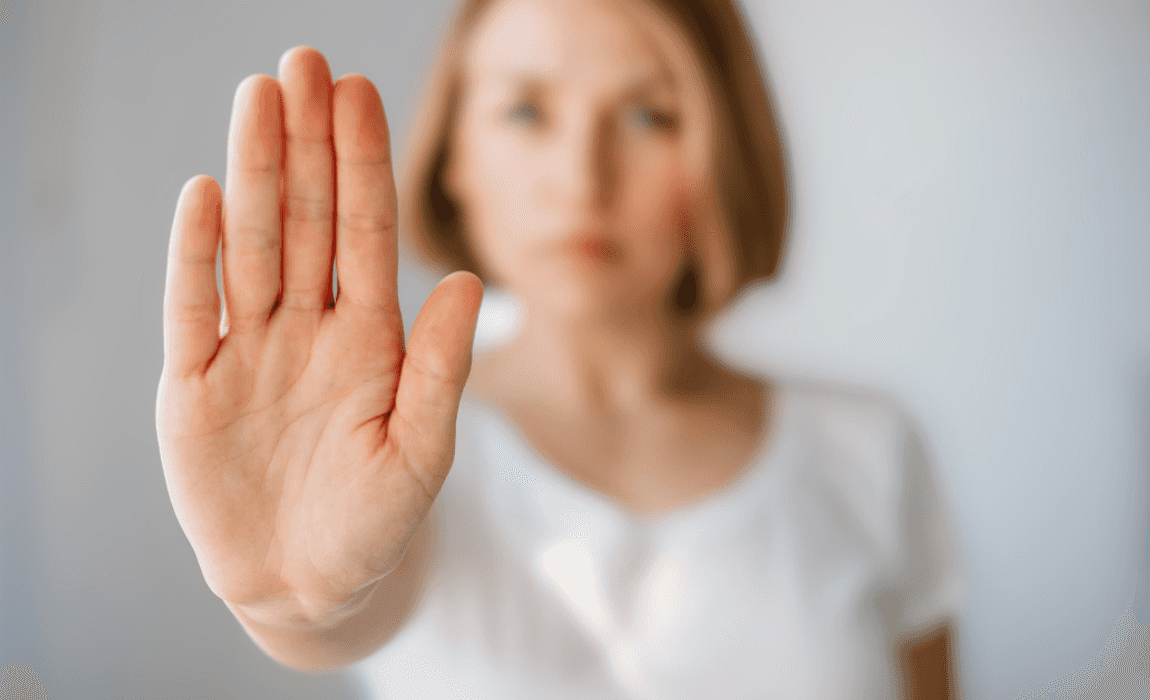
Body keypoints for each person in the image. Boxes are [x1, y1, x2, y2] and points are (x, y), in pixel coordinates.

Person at [155, 0, 967, 697]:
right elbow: (348, 604)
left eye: (649, 116)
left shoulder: (869, 449)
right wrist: (290, 606)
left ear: (726, 150)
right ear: (455, 156)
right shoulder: (385, 450)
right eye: (524, 112)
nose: (583, 180)